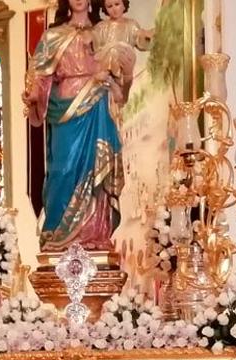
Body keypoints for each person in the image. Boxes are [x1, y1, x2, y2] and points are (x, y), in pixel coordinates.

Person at [24, 0, 124, 251]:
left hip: (97, 105)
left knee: (95, 167)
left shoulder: (104, 31)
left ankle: (94, 234)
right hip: (65, 110)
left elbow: (120, 70)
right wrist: (34, 93)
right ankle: (58, 235)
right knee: (63, 169)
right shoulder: (53, 35)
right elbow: (38, 73)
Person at [93, 0, 152, 108]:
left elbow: (141, 40)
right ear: (105, 8)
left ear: (124, 4)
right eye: (110, 6)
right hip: (105, 65)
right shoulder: (101, 27)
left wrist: (146, 35)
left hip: (124, 64)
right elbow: (97, 50)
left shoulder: (131, 25)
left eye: (117, 4)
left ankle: (117, 84)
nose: (114, 9)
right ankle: (110, 80)